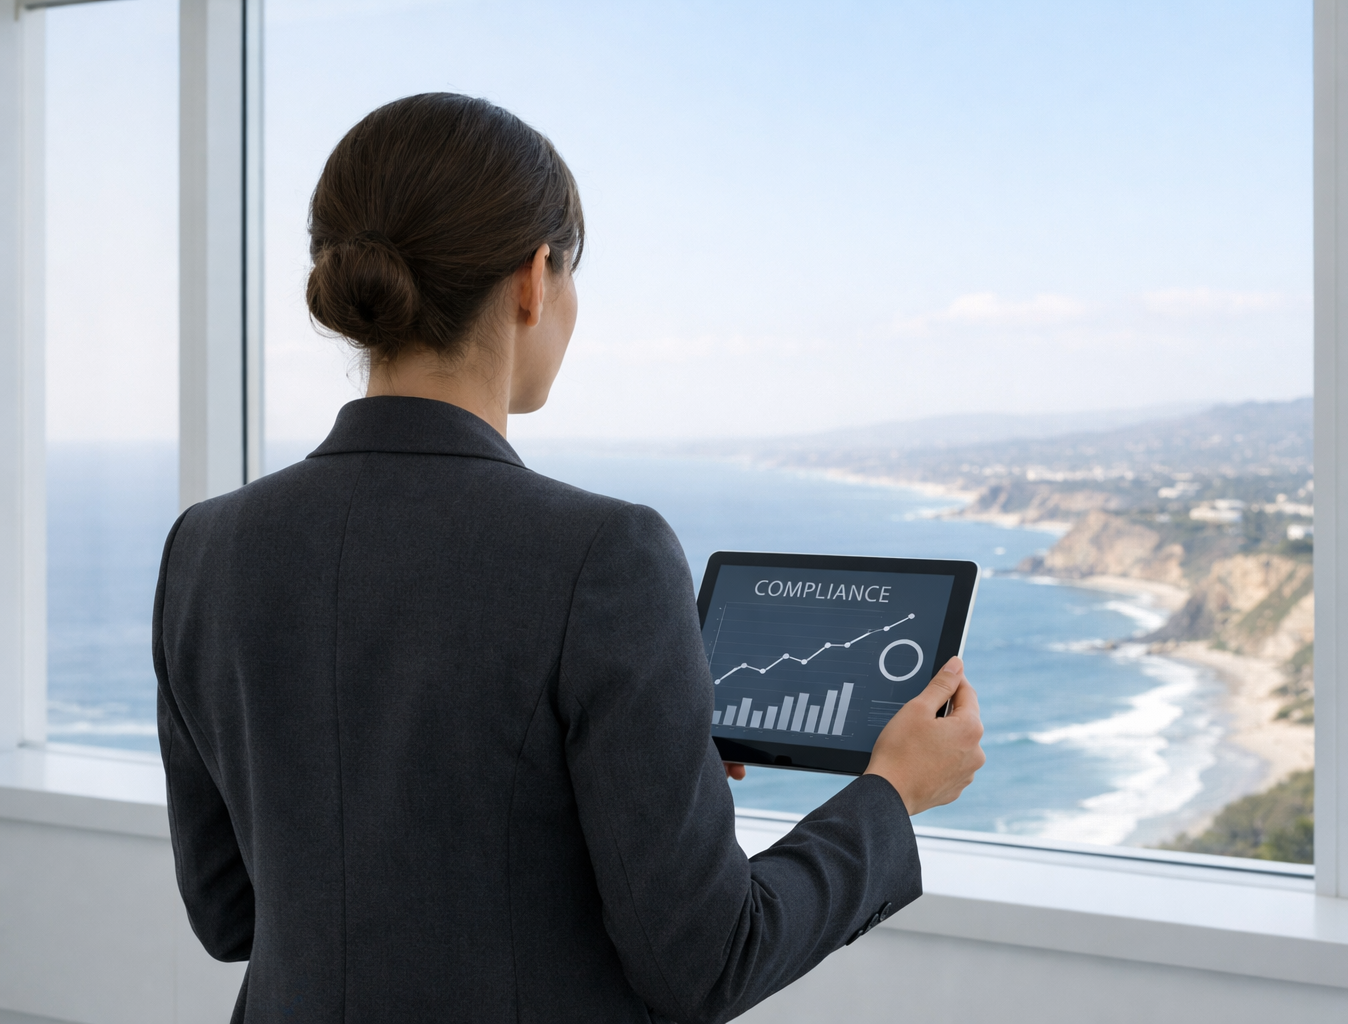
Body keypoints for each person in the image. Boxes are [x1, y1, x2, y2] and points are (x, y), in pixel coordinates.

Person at [155, 92, 985, 1024]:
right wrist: (891, 795)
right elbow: (708, 961)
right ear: (533, 278)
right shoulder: (604, 556)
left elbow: (232, 916)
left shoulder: (204, 547)